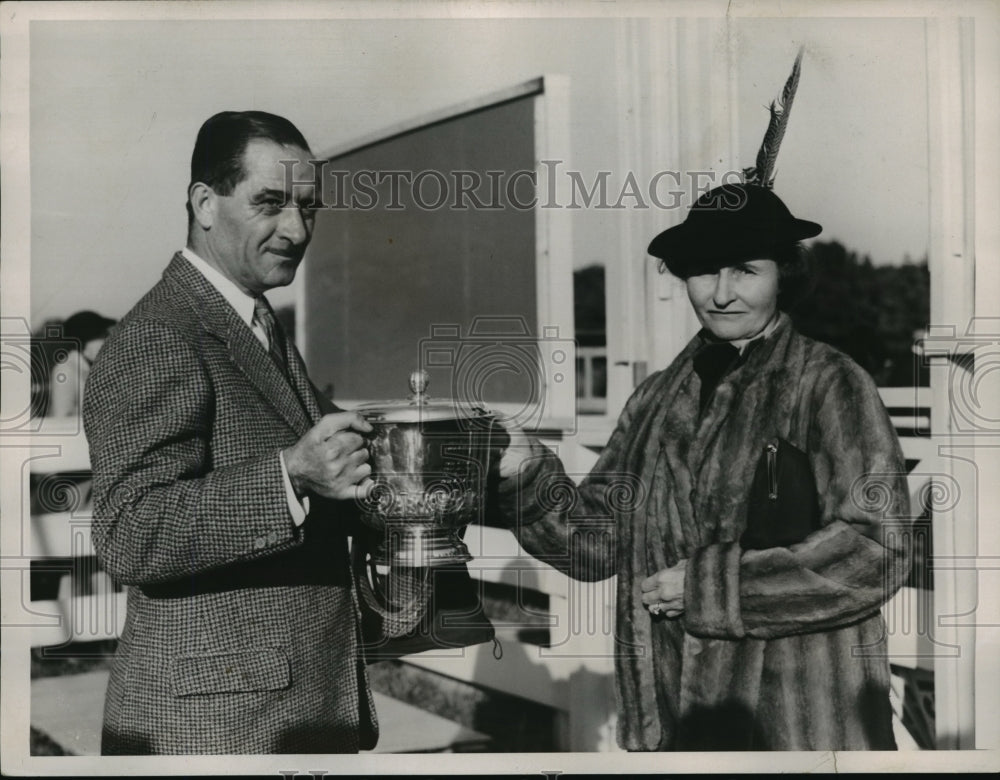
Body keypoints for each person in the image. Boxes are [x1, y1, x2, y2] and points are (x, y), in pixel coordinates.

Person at [494, 181, 911, 750]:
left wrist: (710, 587)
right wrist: (529, 479)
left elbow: (875, 550)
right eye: (703, 271)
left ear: (782, 275)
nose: (720, 293)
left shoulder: (830, 383)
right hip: (677, 719)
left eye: (744, 270)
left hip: (800, 724)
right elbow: (595, 546)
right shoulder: (654, 399)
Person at [83, 111, 379, 754]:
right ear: (204, 204)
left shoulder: (251, 322)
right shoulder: (161, 335)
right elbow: (129, 533)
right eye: (270, 203)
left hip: (276, 714)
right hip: (213, 732)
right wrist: (289, 476)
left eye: (309, 207)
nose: (297, 230)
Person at [47, 310, 115, 417]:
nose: (108, 339)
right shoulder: (66, 371)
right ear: (86, 343)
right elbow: (61, 417)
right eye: (102, 335)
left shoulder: (96, 368)